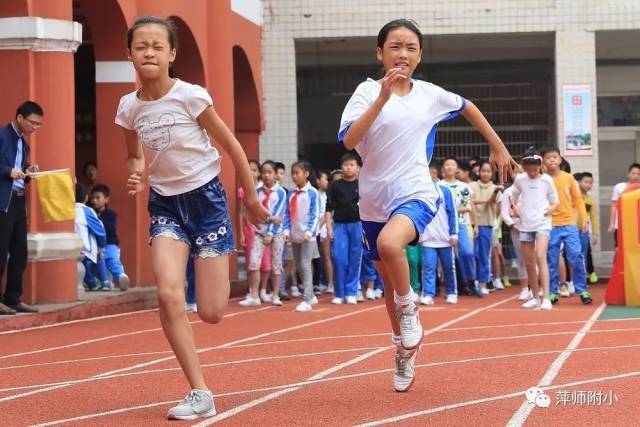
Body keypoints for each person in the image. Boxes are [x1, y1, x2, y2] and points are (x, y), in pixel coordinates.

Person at [338, 18, 516, 392]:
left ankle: (410, 310)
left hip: (417, 192)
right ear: (380, 52)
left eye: (411, 48)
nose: (402, 54)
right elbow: (350, 139)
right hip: (373, 200)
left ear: (420, 55)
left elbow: (468, 106)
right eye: (394, 47)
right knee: (387, 281)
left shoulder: (430, 94)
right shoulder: (366, 91)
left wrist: (498, 146)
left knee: (390, 245)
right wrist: (382, 99)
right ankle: (403, 351)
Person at [115, 16, 268, 420]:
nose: (149, 52)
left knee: (212, 312)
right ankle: (200, 391)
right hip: (165, 205)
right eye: (141, 46)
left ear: (171, 55)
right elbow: (134, 153)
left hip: (208, 201)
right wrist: (136, 170)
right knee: (168, 294)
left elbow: (233, 146)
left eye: (157, 46)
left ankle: (203, 360)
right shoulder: (128, 107)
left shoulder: (191, 96)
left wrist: (249, 201)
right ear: (129, 53)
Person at [0, 101, 43, 315]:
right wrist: (8, 171)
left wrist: (28, 171)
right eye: (33, 123)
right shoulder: (2, 136)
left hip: (17, 200)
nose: (35, 128)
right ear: (19, 118)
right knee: (0, 251)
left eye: (38, 125)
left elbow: (20, 172)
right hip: (2, 202)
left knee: (20, 251)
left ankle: (13, 297)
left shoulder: (24, 144)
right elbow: (7, 170)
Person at [508, 150, 558, 310]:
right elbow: (513, 195)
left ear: (540, 166)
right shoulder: (520, 179)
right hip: (525, 224)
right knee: (529, 262)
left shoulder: (547, 180)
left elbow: (555, 201)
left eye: (534, 170)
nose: (531, 172)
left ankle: (546, 298)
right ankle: (535, 297)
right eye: (528, 169)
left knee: (540, 256)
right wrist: (514, 207)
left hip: (542, 223)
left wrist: (550, 210)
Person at [541, 147, 591, 305]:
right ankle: (553, 291)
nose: (552, 160)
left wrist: (584, 219)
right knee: (552, 259)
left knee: (576, 256)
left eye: (555, 157)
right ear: (543, 161)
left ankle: (582, 289)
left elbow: (578, 200)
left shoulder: (569, 178)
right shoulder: (542, 179)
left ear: (560, 159)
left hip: (569, 223)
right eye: (548, 158)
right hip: (550, 225)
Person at [239, 160, 287, 306]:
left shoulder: (281, 192)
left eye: (270, 172)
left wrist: (270, 231)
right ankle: (254, 294)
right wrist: (268, 219)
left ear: (275, 175)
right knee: (254, 262)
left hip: (276, 233)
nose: (266, 175)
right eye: (264, 172)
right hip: (259, 232)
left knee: (276, 264)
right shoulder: (257, 192)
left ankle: (276, 294)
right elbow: (252, 212)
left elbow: (279, 215)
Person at [284, 160, 321, 312]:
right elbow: (287, 214)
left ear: (306, 174)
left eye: (297, 173)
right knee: (299, 266)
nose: (294, 176)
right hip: (295, 234)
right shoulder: (292, 194)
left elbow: (315, 214)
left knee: (305, 264)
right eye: (292, 173)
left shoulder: (312, 193)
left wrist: (309, 232)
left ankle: (306, 299)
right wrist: (286, 231)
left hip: (308, 236)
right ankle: (311, 295)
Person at [325, 152, 362, 305]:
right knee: (339, 259)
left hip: (358, 224)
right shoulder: (335, 185)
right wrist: (328, 227)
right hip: (339, 225)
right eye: (345, 165)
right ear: (341, 167)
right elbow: (328, 208)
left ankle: (352, 292)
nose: (348, 168)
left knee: (355, 259)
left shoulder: (362, 184)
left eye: (351, 165)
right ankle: (339, 293)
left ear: (358, 168)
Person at [441, 157, 479, 297]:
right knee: (447, 258)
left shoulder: (464, 187)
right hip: (443, 225)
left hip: (462, 223)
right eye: (447, 165)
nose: (450, 167)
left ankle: (471, 280)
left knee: (467, 253)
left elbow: (470, 206)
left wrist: (475, 224)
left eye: (452, 165)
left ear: (457, 169)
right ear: (443, 169)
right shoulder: (438, 186)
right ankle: (452, 286)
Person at [420, 178, 458, 305]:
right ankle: (428, 294)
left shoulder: (445, 191)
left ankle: (451, 292)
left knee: (448, 268)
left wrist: (454, 233)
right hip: (428, 239)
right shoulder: (420, 192)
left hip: (445, 238)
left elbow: (453, 212)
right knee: (429, 268)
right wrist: (419, 233)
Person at [90, 184, 130, 291]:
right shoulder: (90, 213)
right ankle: (106, 282)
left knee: (112, 260)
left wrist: (97, 222)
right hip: (95, 245)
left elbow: (110, 228)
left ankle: (121, 277)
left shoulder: (111, 214)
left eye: (98, 198)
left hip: (110, 243)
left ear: (106, 199)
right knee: (99, 264)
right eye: (93, 198)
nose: (94, 200)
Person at [470, 161, 501, 295]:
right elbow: (470, 201)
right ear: (479, 172)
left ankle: (483, 282)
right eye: (483, 171)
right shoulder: (471, 186)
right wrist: (485, 202)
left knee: (483, 255)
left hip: (486, 224)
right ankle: (472, 281)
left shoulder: (495, 188)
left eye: (488, 171)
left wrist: (495, 192)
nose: (485, 174)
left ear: (492, 173)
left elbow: (494, 203)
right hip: (471, 224)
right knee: (472, 254)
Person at [75, 183, 110, 291]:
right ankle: (104, 281)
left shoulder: (66, 210)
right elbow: (100, 231)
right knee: (100, 254)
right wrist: (102, 246)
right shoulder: (87, 211)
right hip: (85, 249)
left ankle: (92, 283)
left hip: (71, 247)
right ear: (86, 197)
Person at [500, 180, 530, 301]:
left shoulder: (533, 189)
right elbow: (504, 212)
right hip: (516, 227)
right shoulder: (508, 192)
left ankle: (537, 287)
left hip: (533, 226)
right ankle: (524, 288)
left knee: (536, 257)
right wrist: (512, 225)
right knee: (521, 258)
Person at [608, 163, 640, 248]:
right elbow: (614, 206)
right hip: (620, 225)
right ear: (628, 174)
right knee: (619, 249)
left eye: (638, 174)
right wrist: (611, 224)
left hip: (637, 226)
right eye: (633, 173)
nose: (636, 176)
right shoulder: (619, 187)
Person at [575, 172, 599, 283]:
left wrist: (595, 234)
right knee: (571, 256)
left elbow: (594, 218)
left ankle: (581, 281)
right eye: (586, 182)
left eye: (590, 183)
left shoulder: (590, 201)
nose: (588, 185)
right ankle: (569, 281)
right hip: (570, 231)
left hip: (583, 232)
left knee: (583, 256)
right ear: (579, 182)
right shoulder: (573, 197)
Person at [316, 170, 334, 294]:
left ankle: (330, 283)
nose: (327, 182)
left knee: (327, 257)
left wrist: (318, 226)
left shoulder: (327, 195)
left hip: (321, 229)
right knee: (318, 258)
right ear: (318, 181)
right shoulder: (315, 194)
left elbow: (326, 213)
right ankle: (318, 282)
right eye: (324, 179)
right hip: (314, 230)